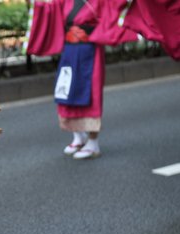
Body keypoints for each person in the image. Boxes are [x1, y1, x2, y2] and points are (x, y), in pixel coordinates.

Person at [25, 0, 139, 159]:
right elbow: (47, 8)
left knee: (90, 94)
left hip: (90, 52)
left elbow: (116, 8)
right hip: (69, 53)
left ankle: (93, 143)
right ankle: (78, 137)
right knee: (66, 93)